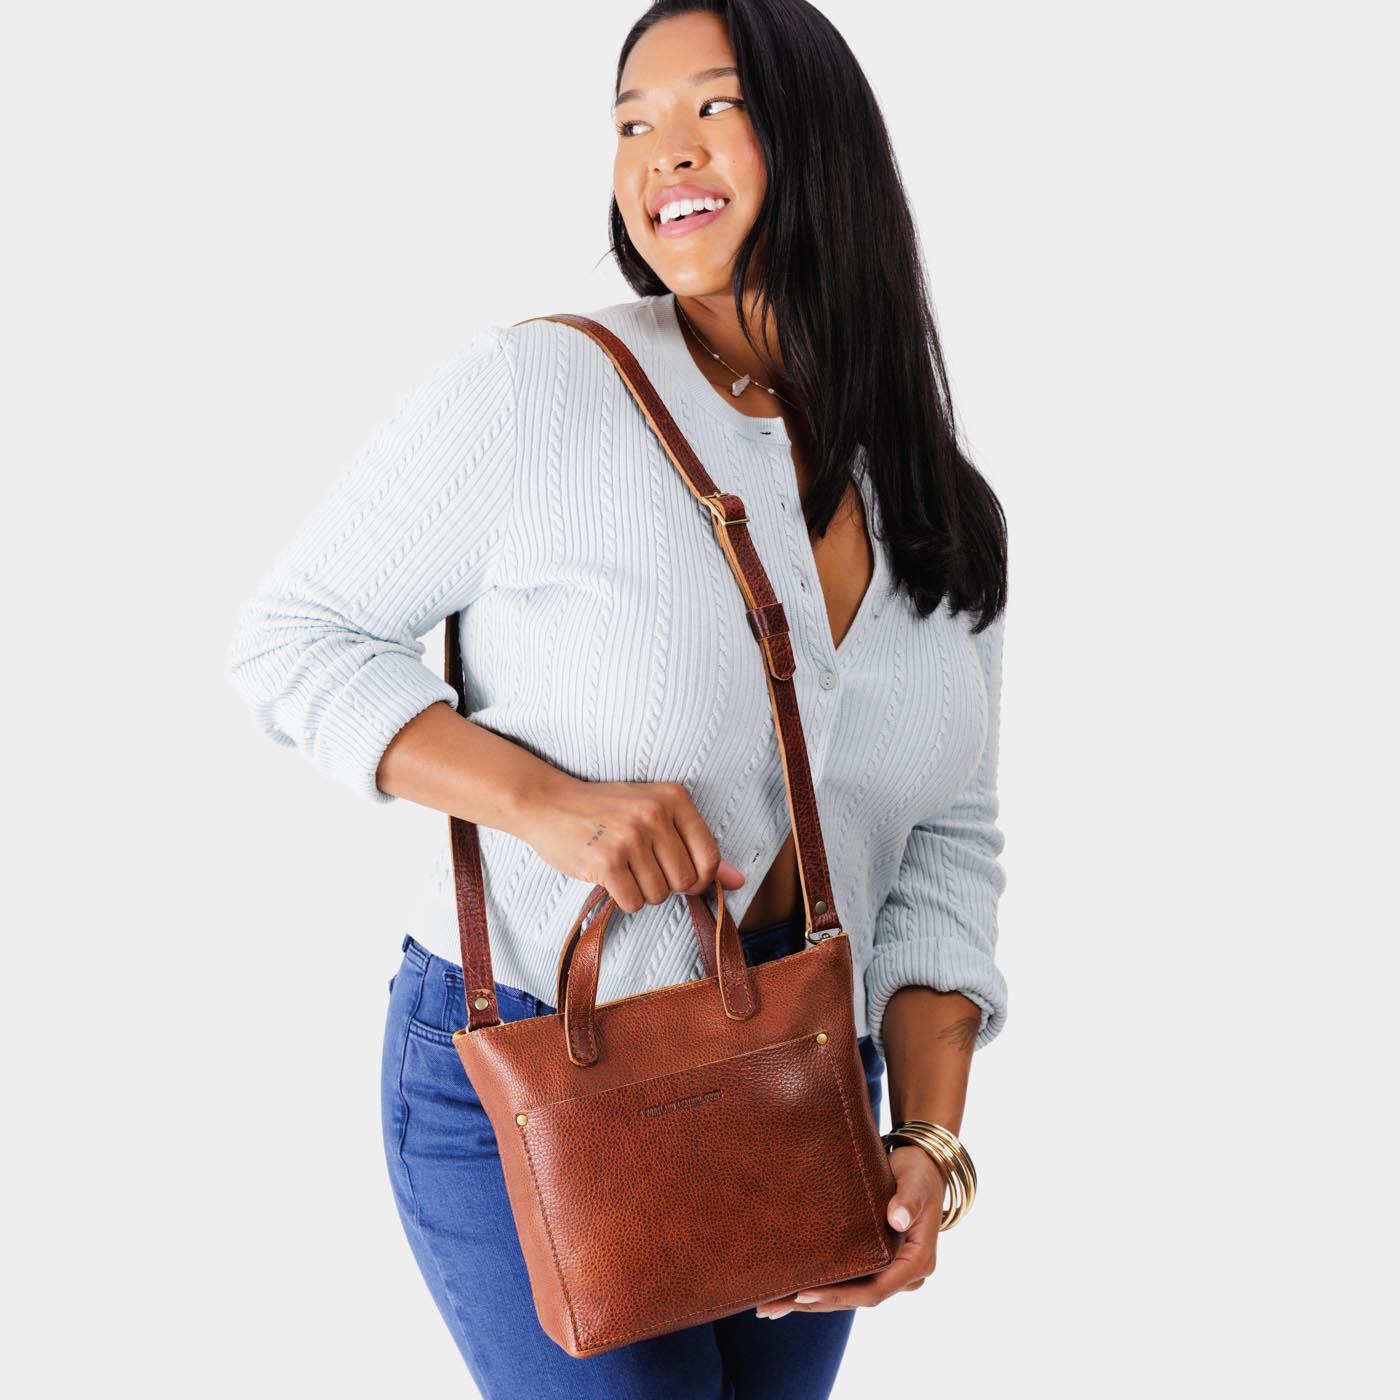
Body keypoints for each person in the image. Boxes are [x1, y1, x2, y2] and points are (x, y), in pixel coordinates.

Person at [226, 2, 1011, 1395]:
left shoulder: (932, 495)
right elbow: (294, 639)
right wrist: (550, 806)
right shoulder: (542, 389)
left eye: (713, 105)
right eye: (632, 122)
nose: (664, 152)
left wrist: (929, 1142)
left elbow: (946, 842)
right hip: (543, 1070)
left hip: (803, 1089)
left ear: (821, 136)